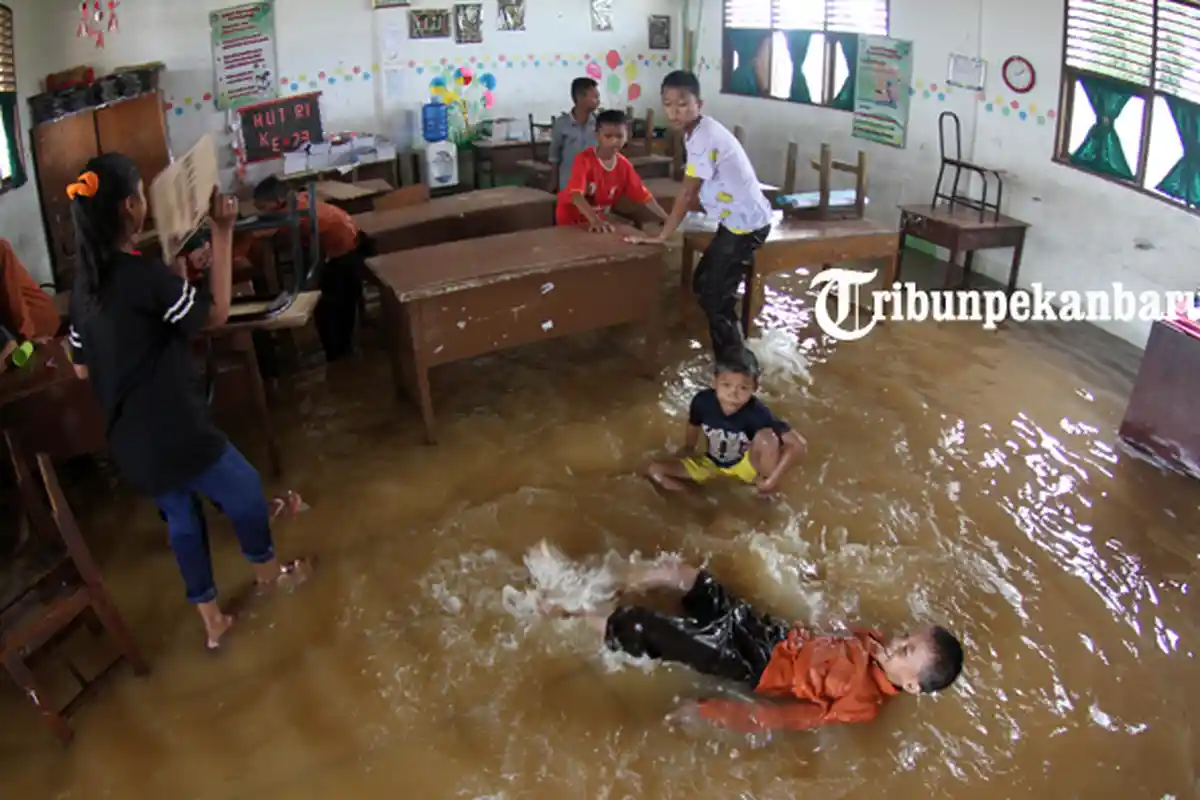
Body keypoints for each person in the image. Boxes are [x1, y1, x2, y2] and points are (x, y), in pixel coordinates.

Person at [65, 154, 313, 651]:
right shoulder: (143, 278)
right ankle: (270, 578)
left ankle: (212, 622)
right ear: (131, 207)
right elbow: (216, 314)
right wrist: (222, 232)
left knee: (182, 519)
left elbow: (80, 365)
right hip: (175, 428)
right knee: (242, 489)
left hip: (131, 442)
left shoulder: (84, 288)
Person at [538, 555, 965, 734]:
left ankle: (564, 611)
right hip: (767, 632)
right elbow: (836, 630)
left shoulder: (862, 702)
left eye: (907, 650)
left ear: (911, 686)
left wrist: (712, 711)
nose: (897, 641)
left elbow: (788, 719)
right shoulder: (874, 643)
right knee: (683, 573)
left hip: (751, 662)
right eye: (907, 636)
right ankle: (595, 581)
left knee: (641, 626)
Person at [627, 70, 774, 361]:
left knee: (714, 295)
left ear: (699, 104)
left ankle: (734, 363)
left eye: (683, 103)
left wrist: (662, 235)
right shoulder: (696, 132)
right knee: (703, 283)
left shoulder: (704, 137)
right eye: (668, 103)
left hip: (745, 225)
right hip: (735, 221)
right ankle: (733, 336)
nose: (675, 111)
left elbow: (686, 193)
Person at [648, 349, 805, 497]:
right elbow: (693, 425)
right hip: (711, 463)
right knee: (655, 471)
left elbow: (798, 444)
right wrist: (688, 449)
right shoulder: (702, 402)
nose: (733, 394)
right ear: (715, 382)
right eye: (726, 385)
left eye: (743, 388)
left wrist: (773, 480)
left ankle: (763, 491)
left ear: (755, 387)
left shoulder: (757, 412)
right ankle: (697, 502)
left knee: (768, 439)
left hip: (744, 465)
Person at [252, 176, 371, 362]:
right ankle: (341, 348)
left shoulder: (295, 211)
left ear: (277, 201)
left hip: (345, 251)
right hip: (346, 245)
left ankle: (339, 352)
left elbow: (262, 231)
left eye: (262, 207)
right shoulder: (299, 199)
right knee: (337, 302)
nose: (261, 211)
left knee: (333, 305)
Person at [555, 109, 669, 232]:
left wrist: (667, 218)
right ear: (597, 136)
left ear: (627, 136)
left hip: (597, 218)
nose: (614, 141)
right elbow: (576, 195)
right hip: (571, 218)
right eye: (608, 136)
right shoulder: (584, 160)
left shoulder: (624, 166)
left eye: (619, 136)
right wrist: (595, 220)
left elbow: (645, 197)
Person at [0, 238, 61, 365]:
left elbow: (13, 297)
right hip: (16, 330)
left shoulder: (1, 248)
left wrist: (28, 338)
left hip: (34, 321)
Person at [548, 77, 601, 193]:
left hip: (594, 186)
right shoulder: (561, 124)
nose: (598, 101)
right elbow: (554, 156)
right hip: (568, 185)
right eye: (594, 97)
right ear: (580, 97)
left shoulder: (600, 124)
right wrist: (554, 183)